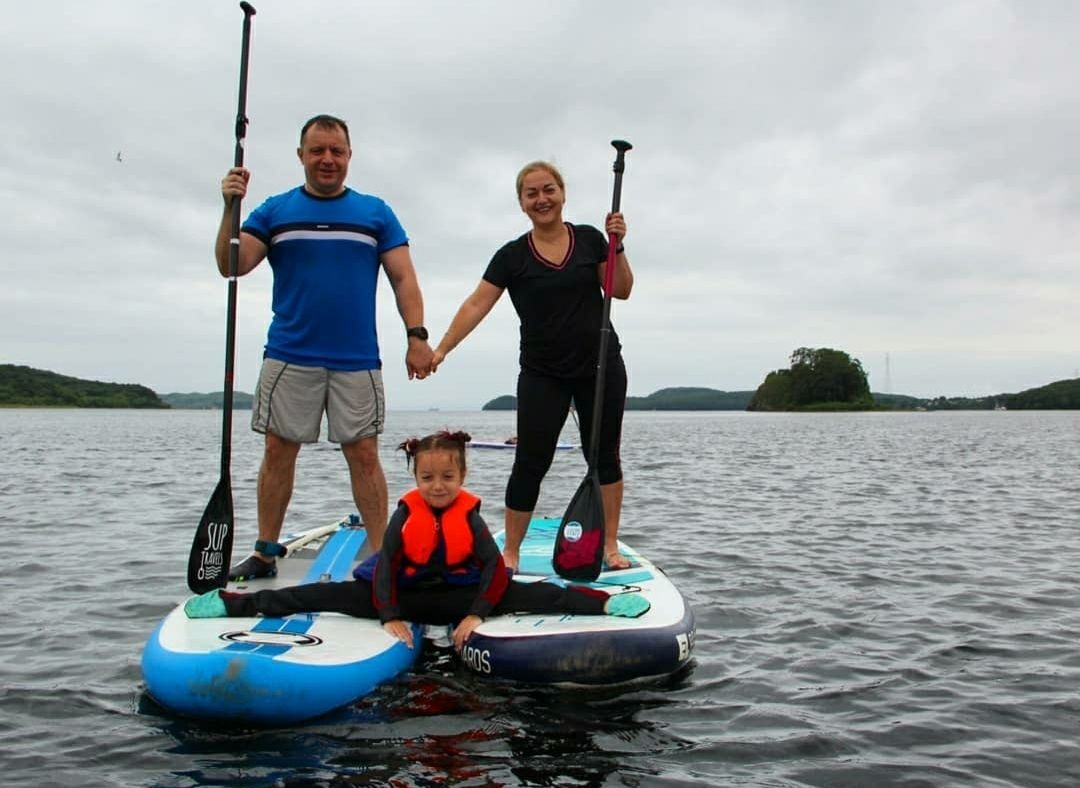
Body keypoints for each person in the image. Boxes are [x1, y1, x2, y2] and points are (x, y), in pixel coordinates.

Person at [215, 114, 434, 582]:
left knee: (364, 454)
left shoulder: (375, 213)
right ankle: (265, 553)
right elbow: (232, 264)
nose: (327, 159)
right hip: (289, 354)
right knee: (278, 450)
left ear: (349, 156)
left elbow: (403, 278)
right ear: (301, 156)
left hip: (357, 358)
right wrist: (231, 206)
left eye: (336, 151)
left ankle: (382, 557)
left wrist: (417, 336)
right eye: (317, 150)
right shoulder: (275, 211)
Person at [184, 431, 650, 651]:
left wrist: (476, 613)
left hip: (458, 599)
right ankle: (231, 603)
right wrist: (389, 615)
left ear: (462, 475)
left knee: (540, 593)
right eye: (428, 478)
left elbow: (493, 569)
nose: (438, 486)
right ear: (415, 478)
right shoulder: (406, 515)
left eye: (447, 477)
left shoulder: (470, 518)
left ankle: (607, 603)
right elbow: (385, 566)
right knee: (317, 594)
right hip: (404, 598)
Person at [430, 160, 633, 572]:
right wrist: (441, 349)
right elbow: (476, 304)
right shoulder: (511, 257)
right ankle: (511, 552)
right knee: (530, 462)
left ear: (562, 194)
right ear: (522, 203)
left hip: (600, 367)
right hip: (543, 373)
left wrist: (618, 246)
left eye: (548, 190)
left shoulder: (591, 240)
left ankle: (609, 547)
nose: (542, 199)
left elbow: (621, 289)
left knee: (604, 458)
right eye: (532, 193)